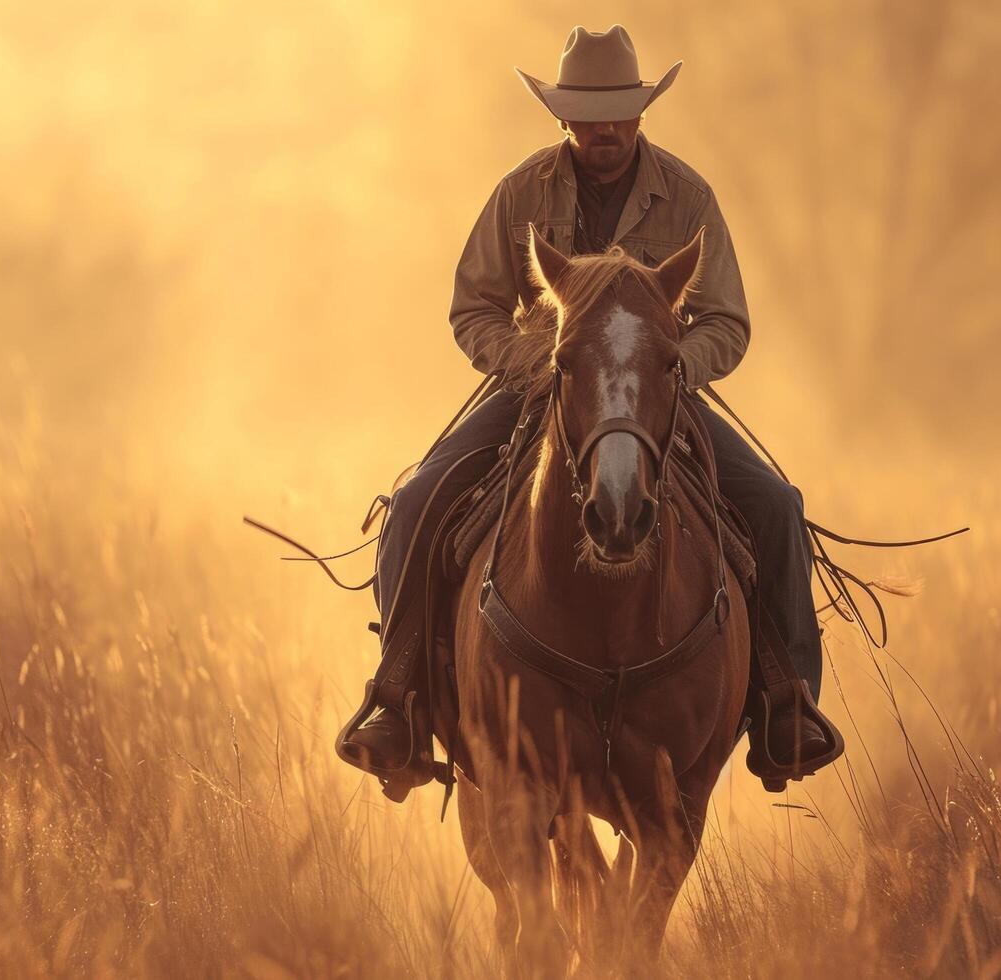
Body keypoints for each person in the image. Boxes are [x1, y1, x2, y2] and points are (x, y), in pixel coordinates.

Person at [338, 24, 837, 795]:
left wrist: (664, 368)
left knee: (774, 505)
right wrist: (535, 364)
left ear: (640, 114)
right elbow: (474, 307)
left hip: (652, 400)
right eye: (586, 112)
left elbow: (727, 321)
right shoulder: (519, 193)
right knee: (414, 505)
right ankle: (396, 696)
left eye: (617, 112)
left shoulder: (690, 198)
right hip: (543, 388)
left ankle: (787, 702)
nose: (604, 128)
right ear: (562, 116)